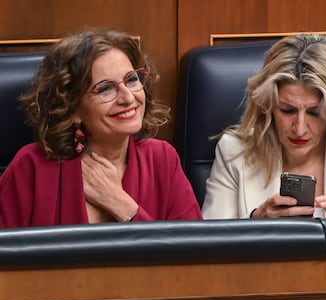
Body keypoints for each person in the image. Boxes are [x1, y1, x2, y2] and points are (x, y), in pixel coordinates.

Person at [0, 28, 202, 227]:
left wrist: (120, 203)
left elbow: (195, 251)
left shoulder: (162, 159)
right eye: (105, 88)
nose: (128, 98)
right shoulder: (31, 167)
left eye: (131, 79)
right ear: (72, 108)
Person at [202, 33, 326, 219]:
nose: (299, 128)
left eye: (314, 113)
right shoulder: (233, 152)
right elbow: (208, 248)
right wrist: (255, 225)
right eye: (287, 110)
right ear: (269, 106)